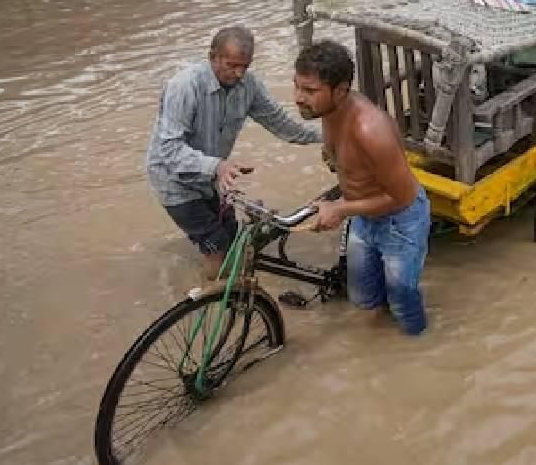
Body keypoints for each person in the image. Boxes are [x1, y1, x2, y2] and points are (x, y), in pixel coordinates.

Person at [146, 26, 322, 280]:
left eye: (245, 67)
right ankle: (213, 306)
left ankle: (230, 292)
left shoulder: (248, 86)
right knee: (217, 247)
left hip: (213, 178)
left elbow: (282, 125)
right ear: (212, 57)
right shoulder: (184, 87)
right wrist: (218, 166)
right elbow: (168, 151)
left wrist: (325, 137)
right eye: (231, 65)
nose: (238, 73)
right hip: (174, 180)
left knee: (235, 239)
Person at [293, 41, 430, 336]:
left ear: (340, 90)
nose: (298, 98)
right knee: (364, 296)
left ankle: (418, 347)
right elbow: (340, 159)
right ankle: (379, 340)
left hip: (400, 221)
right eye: (297, 87)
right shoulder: (328, 110)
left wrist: (340, 208)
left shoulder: (370, 129)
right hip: (363, 215)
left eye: (309, 91)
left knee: (403, 298)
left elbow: (401, 196)